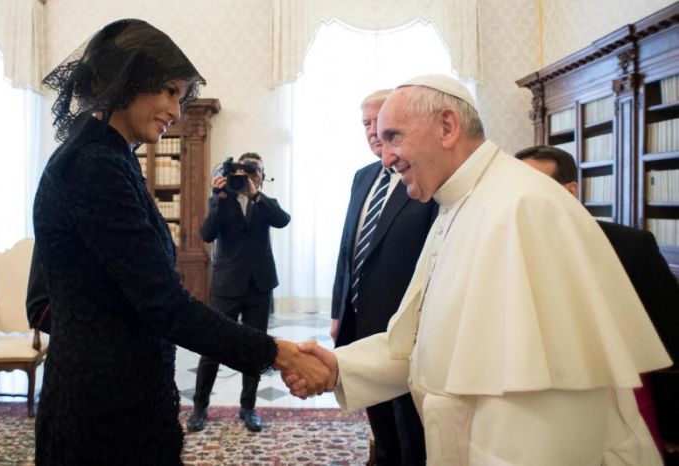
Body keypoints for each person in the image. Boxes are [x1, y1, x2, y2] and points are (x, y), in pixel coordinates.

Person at [287, 74, 672, 465]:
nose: (385, 158)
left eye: (394, 137)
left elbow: (538, 414)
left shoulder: (522, 207)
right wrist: (340, 367)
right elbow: (428, 344)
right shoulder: (457, 203)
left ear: (448, 127)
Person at [33, 19, 326, 466]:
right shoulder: (95, 165)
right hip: (103, 408)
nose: (175, 108)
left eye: (181, 95)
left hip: (119, 389)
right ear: (127, 81)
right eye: (169, 91)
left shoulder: (110, 154)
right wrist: (276, 353)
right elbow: (164, 305)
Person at [515, 145, 679, 465]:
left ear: (570, 191)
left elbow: (670, 336)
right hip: (544, 402)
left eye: (533, 186)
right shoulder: (512, 247)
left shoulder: (630, 245)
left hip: (622, 397)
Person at [331, 89, 433, 465]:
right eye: (365, 124)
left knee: (411, 431)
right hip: (359, 322)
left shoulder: (424, 179)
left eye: (379, 122)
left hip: (404, 331)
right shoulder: (363, 177)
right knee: (380, 426)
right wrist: (338, 311)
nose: (373, 131)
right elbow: (348, 249)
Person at [186, 152, 290, 433]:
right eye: (245, 170)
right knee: (212, 347)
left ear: (262, 175)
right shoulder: (222, 200)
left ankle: (248, 408)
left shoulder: (266, 204)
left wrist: (255, 194)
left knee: (255, 351)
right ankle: (199, 407)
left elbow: (283, 220)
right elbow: (207, 234)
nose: (250, 175)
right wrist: (219, 197)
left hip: (259, 286)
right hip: (227, 286)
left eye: (255, 170)